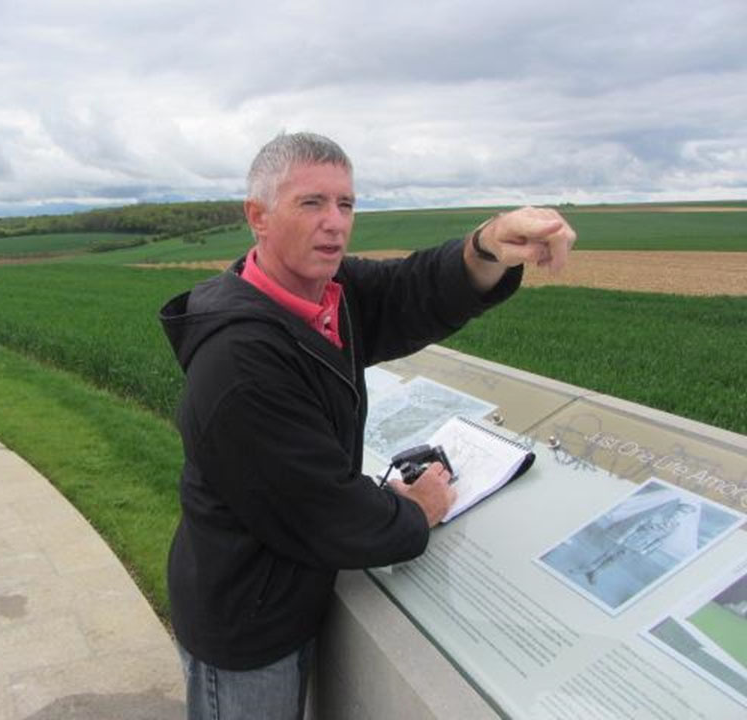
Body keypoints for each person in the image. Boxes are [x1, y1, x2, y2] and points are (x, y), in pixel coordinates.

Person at [159, 131, 575, 720]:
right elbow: (323, 510)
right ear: (259, 216)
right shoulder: (240, 367)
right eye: (312, 203)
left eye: (346, 204)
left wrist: (486, 247)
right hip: (246, 626)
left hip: (282, 590)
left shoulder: (326, 295)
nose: (335, 223)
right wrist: (419, 508)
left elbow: (410, 290)